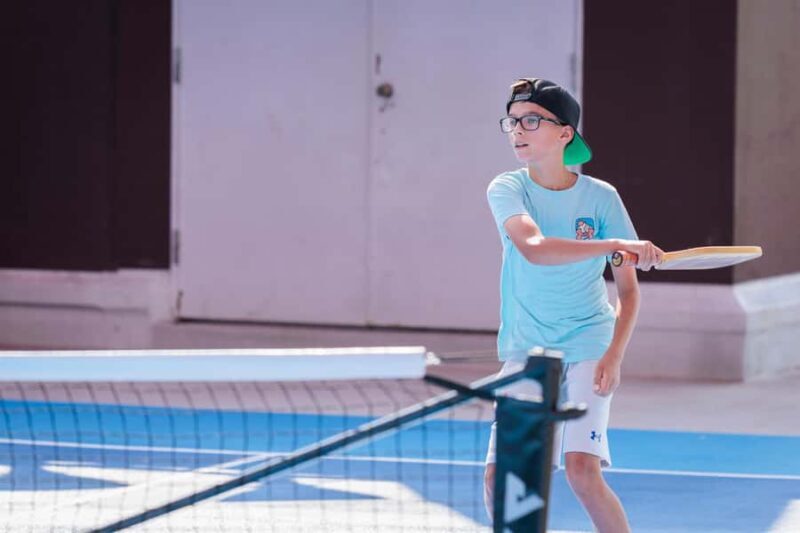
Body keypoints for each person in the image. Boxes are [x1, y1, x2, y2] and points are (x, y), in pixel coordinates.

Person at [483, 78, 664, 533]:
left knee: (583, 471)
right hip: (528, 350)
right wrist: (617, 242)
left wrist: (614, 354)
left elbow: (628, 290)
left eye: (531, 120)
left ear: (565, 133)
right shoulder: (507, 188)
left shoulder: (601, 198)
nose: (517, 130)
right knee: (498, 477)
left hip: (588, 343)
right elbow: (535, 247)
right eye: (512, 120)